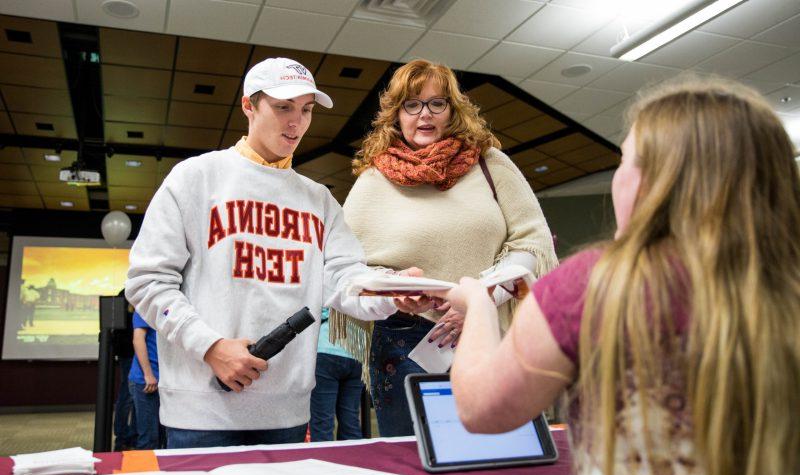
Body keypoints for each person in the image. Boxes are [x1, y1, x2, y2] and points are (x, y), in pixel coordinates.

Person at [439, 78, 800, 475]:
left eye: (624, 161)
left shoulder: (592, 286)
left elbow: (481, 408)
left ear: (656, 180)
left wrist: (480, 303)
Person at [126, 57, 429, 449]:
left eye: (306, 110)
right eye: (283, 107)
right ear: (248, 106)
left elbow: (343, 280)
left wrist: (389, 291)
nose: (297, 123)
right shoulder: (195, 178)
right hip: (201, 408)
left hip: (287, 409)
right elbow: (147, 282)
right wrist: (210, 347)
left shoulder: (318, 199)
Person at [332, 59, 558, 437]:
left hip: (489, 327)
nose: (425, 114)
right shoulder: (373, 178)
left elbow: (531, 243)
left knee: (496, 450)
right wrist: (393, 292)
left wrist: (480, 299)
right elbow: (346, 271)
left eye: (437, 103)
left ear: (453, 110)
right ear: (395, 114)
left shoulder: (490, 163)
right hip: (403, 341)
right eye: (412, 104)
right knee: (412, 459)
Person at [309, 308, 363, 441]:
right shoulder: (358, 289)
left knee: (323, 423)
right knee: (351, 421)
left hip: (326, 350)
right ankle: (353, 460)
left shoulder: (325, 288)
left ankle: (323, 460)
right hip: (356, 354)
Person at [128, 310, 162, 449]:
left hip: (163, 380)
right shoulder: (145, 306)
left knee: (161, 437)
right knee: (149, 439)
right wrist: (148, 374)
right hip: (146, 381)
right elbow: (138, 339)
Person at [112, 289, 137, 451]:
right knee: (128, 396)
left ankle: (129, 436)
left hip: (130, 352)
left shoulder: (125, 293)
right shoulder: (128, 295)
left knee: (132, 397)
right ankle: (122, 437)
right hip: (130, 353)